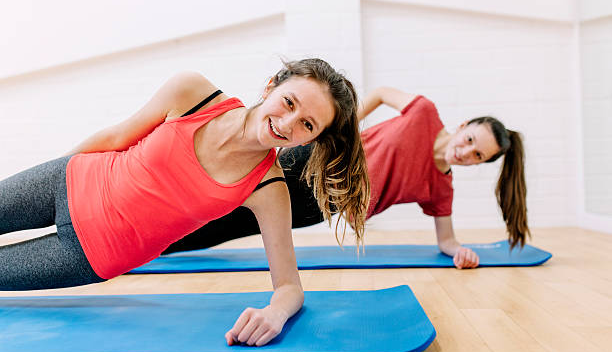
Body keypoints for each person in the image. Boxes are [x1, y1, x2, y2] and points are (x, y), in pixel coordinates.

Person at [0, 58, 369, 347]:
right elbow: (115, 136)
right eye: (289, 102)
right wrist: (53, 171)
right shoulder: (193, 92)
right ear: (271, 85)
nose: (288, 123)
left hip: (93, 253)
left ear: (310, 139)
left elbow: (289, 286)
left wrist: (275, 313)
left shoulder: (269, 188)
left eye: (307, 125)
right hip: (68, 181)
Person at [164, 87, 529, 269]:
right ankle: (152, 227)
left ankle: (155, 250)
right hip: (313, 159)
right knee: (220, 197)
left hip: (323, 204)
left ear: (479, 163)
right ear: (464, 126)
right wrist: (346, 129)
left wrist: (460, 252)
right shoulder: (424, 113)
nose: (465, 153)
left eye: (477, 155)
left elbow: (446, 240)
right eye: (470, 141)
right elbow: (383, 93)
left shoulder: (441, 189)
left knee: (233, 227)